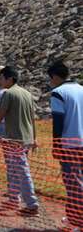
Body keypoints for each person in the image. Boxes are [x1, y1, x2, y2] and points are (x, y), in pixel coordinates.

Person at [0, 66, 39, 216]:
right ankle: (13, 198)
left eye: (2, 77)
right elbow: (32, 118)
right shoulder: (27, 93)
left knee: (21, 169)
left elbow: (0, 114)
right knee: (15, 168)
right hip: (26, 137)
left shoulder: (8, 94)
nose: (1, 80)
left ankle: (31, 203)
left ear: (9, 79)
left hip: (14, 138)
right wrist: (34, 137)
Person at [48, 61, 83, 229]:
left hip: (70, 144)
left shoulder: (58, 93)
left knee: (73, 183)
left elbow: (58, 121)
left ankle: (77, 221)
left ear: (54, 76)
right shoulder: (81, 89)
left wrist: (56, 144)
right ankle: (72, 217)